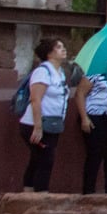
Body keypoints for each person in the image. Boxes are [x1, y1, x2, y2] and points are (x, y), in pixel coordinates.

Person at [19, 37, 71, 192]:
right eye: (59, 47)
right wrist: (38, 126)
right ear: (49, 53)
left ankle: (28, 192)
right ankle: (41, 194)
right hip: (35, 123)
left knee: (37, 159)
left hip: (53, 124)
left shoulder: (60, 73)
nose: (63, 49)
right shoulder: (43, 72)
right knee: (46, 160)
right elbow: (36, 99)